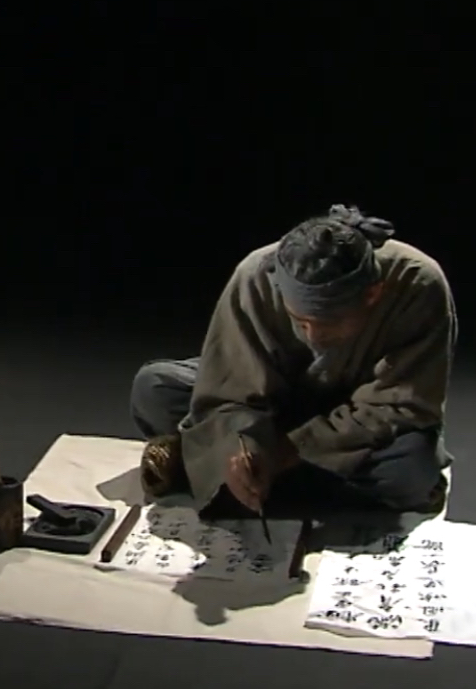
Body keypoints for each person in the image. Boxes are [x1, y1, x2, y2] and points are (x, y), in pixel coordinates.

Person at [130, 204, 456, 516]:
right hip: (278, 403)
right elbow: (230, 385)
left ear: (372, 294)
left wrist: (285, 452)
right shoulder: (256, 275)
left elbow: (401, 404)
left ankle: (200, 464)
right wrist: (243, 448)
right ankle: (283, 481)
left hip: (357, 418)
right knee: (156, 388)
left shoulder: (418, 283)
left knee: (411, 468)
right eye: (299, 321)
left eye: (329, 323)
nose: (313, 336)